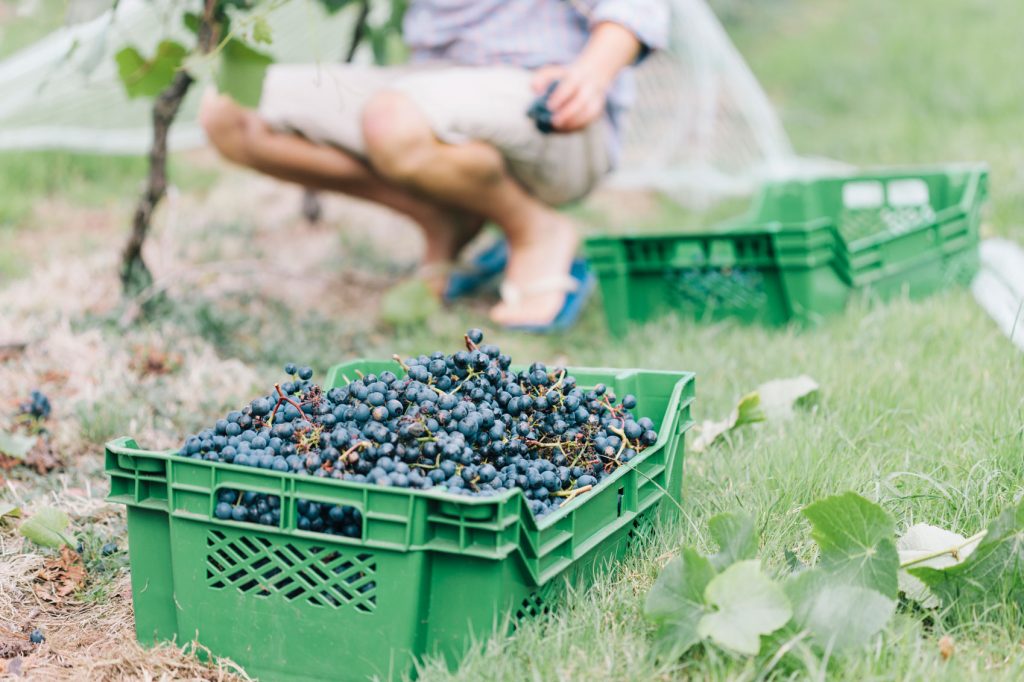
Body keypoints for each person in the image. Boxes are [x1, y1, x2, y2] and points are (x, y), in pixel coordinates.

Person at [200, 0, 669, 330]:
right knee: (230, 110)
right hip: (434, 88)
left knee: (393, 120)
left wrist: (590, 75)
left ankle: (534, 228)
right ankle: (443, 214)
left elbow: (637, 9)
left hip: (551, 103)